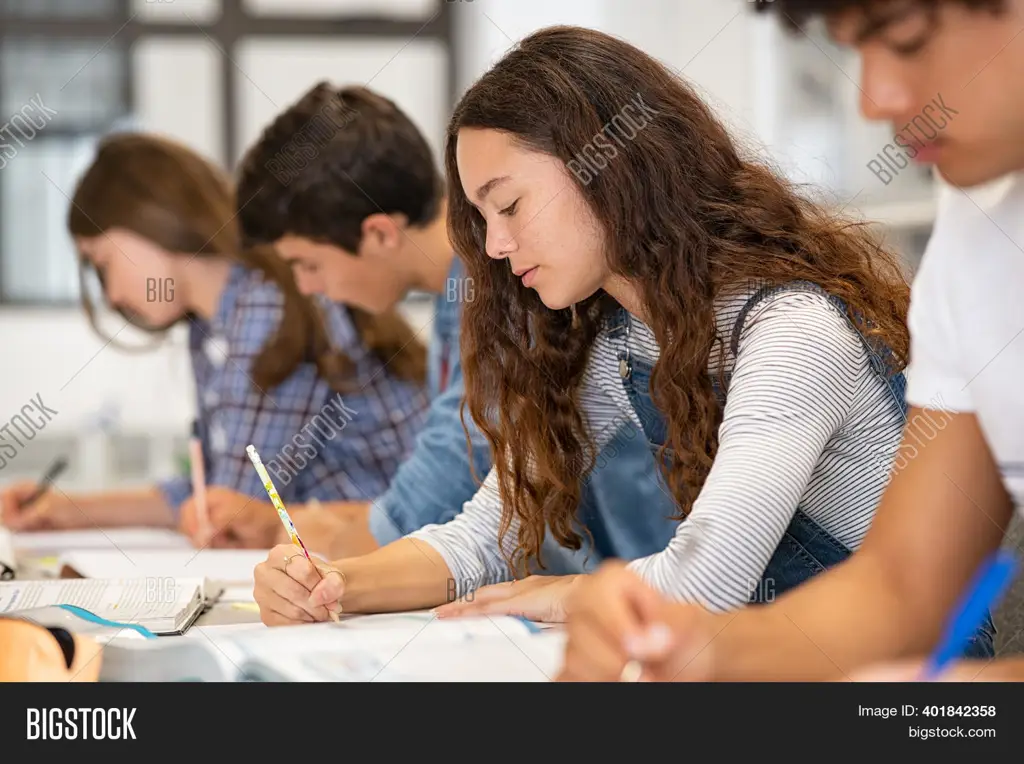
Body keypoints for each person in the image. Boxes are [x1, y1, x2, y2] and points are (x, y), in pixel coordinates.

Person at [249, 27, 1000, 648]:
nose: (498, 246)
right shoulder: (619, 343)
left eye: (508, 205)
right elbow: (486, 533)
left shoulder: (790, 331)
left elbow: (704, 582)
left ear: (612, 168)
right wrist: (333, 580)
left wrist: (565, 593)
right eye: (481, 221)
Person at [558, 0, 1024, 682]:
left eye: (906, 39)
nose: (875, 100)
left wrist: (968, 698)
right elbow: (900, 585)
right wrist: (695, 648)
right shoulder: (978, 230)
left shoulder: (794, 325)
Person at [182, 82, 680, 568]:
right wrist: (298, 525)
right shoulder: (456, 294)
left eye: (306, 264)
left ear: (378, 234)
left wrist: (323, 551)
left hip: (632, 593)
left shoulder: (500, 289)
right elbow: (461, 500)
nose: (308, 288)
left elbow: (445, 480)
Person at [0, 133, 428, 535]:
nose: (110, 296)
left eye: (103, 263)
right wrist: (69, 509)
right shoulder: (213, 325)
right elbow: (217, 494)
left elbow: (235, 508)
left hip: (397, 547)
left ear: (152, 219)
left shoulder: (267, 308)